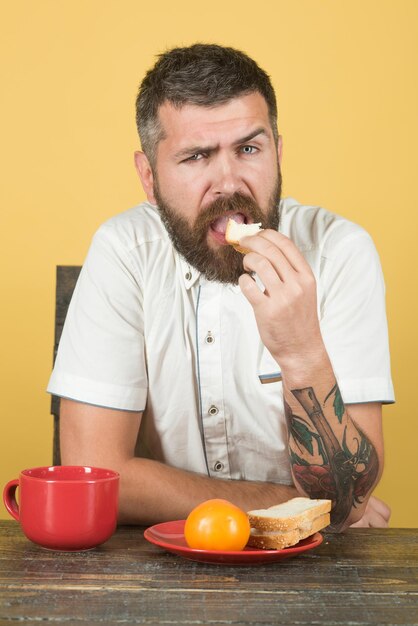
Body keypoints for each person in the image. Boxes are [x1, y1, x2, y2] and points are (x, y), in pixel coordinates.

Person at [47, 43, 394, 530]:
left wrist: (300, 352)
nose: (229, 181)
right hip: (155, 573)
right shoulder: (125, 250)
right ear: (149, 178)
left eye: (249, 149)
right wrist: (286, 505)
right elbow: (95, 474)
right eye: (196, 157)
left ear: (279, 152)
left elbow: (344, 493)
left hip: (310, 577)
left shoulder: (340, 253)